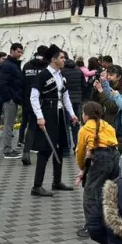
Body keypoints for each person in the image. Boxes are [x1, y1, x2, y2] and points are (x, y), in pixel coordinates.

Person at [30, 46, 79, 196]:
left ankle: (56, 182)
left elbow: (65, 96)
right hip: (47, 112)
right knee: (45, 149)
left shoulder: (61, 75)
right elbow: (33, 97)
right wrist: (39, 116)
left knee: (60, 147)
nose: (64, 60)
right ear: (54, 59)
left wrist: (72, 114)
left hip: (59, 113)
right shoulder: (43, 75)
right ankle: (37, 186)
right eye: (62, 58)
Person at [75, 101, 120, 238]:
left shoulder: (84, 130)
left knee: (91, 192)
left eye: (83, 113)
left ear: (86, 115)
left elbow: (80, 152)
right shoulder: (108, 126)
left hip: (99, 158)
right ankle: (112, 221)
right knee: (111, 190)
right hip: (115, 157)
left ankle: (92, 226)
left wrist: (83, 167)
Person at [19, 46, 49, 164]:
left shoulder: (27, 65)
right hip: (44, 101)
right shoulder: (47, 67)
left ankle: (26, 152)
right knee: (45, 125)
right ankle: (42, 151)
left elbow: (22, 84)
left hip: (29, 101)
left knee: (31, 127)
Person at [0, 43, 26, 160]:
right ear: (12, 51)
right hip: (10, 99)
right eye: (18, 51)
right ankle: (7, 150)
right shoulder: (8, 65)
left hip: (12, 99)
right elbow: (2, 83)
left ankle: (9, 148)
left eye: (21, 52)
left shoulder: (12, 64)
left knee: (10, 124)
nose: (20, 54)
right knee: (9, 125)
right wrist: (11, 97)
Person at [63, 53, 85, 144]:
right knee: (75, 123)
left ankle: (67, 145)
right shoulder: (78, 70)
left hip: (67, 100)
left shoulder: (62, 71)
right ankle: (76, 144)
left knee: (66, 124)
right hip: (77, 100)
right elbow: (84, 85)